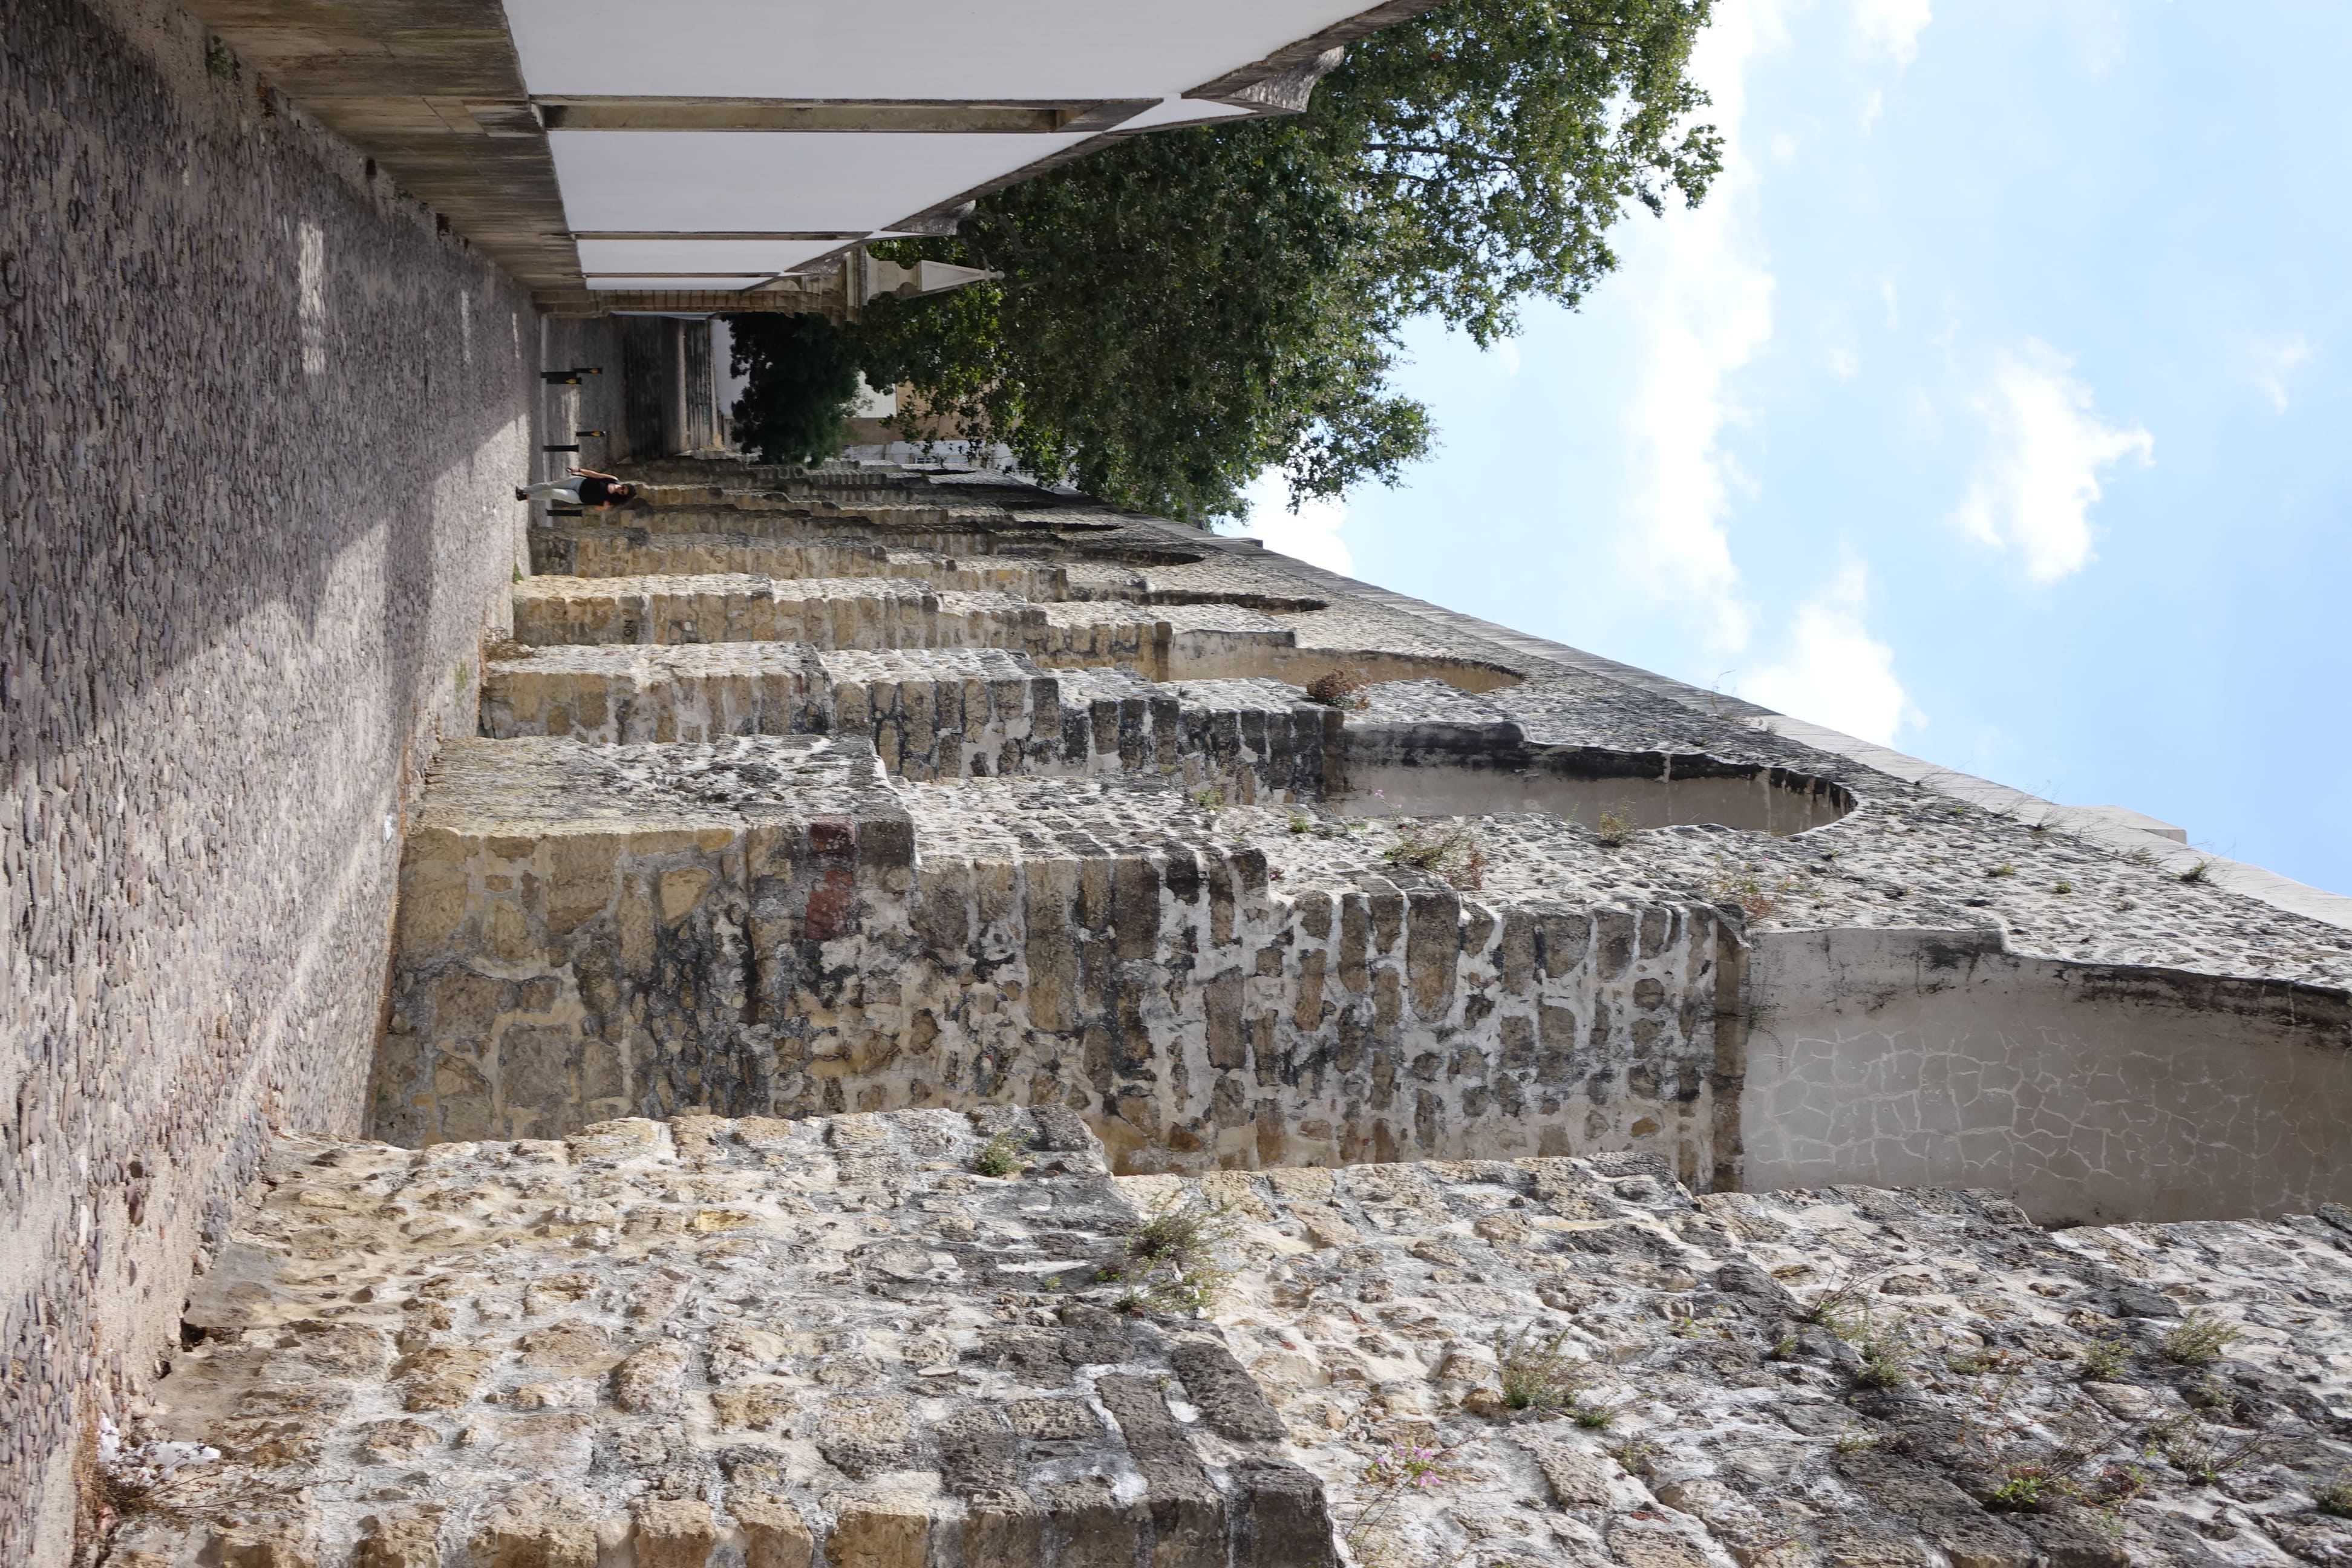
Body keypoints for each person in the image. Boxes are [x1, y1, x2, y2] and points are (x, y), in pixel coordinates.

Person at [515, 467, 635, 509]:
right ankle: (524, 490)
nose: (621, 490)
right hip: (580, 483)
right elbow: (595, 475)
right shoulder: (613, 479)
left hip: (579, 498)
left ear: (623, 496)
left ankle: (527, 496)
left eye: (623, 492)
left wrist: (604, 508)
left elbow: (597, 508)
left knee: (553, 493)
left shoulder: (612, 501)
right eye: (623, 488)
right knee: (550, 485)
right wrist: (579, 470)